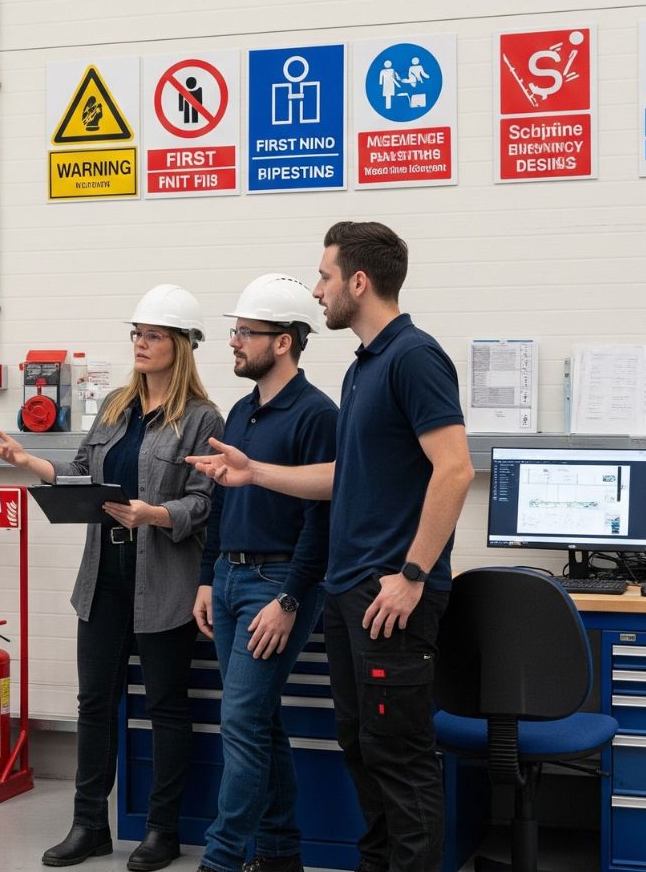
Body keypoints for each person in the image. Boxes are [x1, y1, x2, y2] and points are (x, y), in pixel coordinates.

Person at [189, 222, 474, 872]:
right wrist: (255, 474)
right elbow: (346, 476)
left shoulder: (414, 357)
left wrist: (412, 574)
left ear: (359, 281)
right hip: (350, 591)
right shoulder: (363, 368)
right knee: (363, 748)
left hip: (390, 593)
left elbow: (455, 468)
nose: (316, 291)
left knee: (399, 757)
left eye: (324, 276)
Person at [0, 284, 224, 872]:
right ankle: (88, 825)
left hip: (164, 581)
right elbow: (82, 472)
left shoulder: (201, 418)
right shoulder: (117, 404)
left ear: (182, 345)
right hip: (104, 579)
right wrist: (30, 463)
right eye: (137, 334)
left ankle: (161, 831)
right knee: (94, 703)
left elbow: (205, 502)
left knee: (166, 707)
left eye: (153, 336)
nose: (141, 344)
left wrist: (155, 514)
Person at [191, 275, 337, 872]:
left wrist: (292, 599)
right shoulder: (241, 410)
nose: (234, 341)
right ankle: (279, 855)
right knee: (258, 721)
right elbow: (222, 499)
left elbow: (323, 518)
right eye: (235, 330)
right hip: (230, 579)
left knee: (242, 721)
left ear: (283, 342)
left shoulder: (318, 415)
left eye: (246, 332)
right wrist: (208, 576)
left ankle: (221, 860)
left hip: (276, 585)